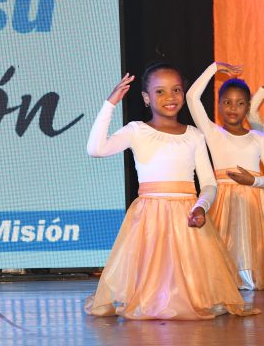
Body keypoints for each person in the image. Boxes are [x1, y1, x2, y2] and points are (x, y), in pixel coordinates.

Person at [84, 63, 256, 319]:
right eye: (160, 91)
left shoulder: (194, 135)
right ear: (146, 98)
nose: (170, 97)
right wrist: (110, 104)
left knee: (190, 289)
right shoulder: (137, 131)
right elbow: (96, 149)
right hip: (150, 218)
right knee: (152, 278)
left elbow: (209, 183)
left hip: (186, 216)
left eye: (176, 90)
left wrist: (201, 207)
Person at [187, 62, 264, 289]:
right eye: (227, 102)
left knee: (251, 244)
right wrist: (214, 68)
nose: (233, 108)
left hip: (254, 203)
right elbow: (192, 97)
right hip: (221, 200)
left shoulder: (258, 138)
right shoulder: (212, 133)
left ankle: (249, 279)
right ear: (219, 105)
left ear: (248, 107)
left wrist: (254, 181)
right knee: (222, 245)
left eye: (240, 103)